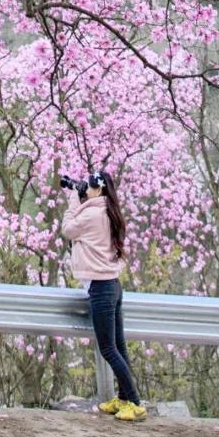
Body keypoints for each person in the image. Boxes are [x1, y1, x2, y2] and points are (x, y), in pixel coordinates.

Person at [60, 170, 147, 422]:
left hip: (100, 288)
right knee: (119, 346)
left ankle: (135, 403)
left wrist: (73, 199)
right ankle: (123, 399)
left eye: (88, 186)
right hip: (113, 285)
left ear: (98, 189)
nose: (85, 189)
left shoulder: (91, 214)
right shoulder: (110, 211)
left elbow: (68, 229)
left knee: (108, 349)